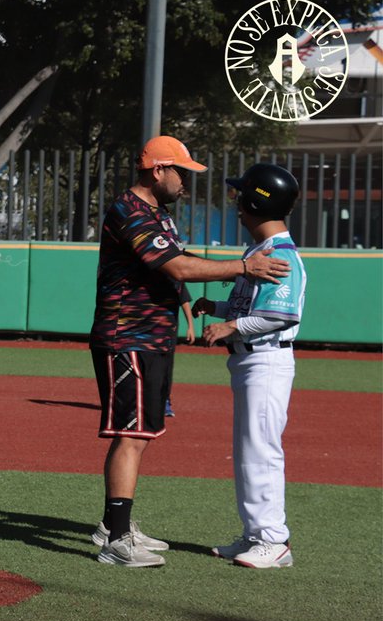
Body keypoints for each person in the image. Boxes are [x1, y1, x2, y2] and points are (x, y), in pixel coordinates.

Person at [88, 136, 290, 567]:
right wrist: (242, 266)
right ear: (158, 170)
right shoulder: (129, 210)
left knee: (143, 433)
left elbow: (177, 261)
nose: (186, 183)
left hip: (152, 337)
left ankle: (115, 525)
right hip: (128, 337)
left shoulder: (157, 215)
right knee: (131, 434)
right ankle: (116, 540)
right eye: (181, 173)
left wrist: (189, 303)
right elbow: (176, 266)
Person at [194, 163, 306, 569]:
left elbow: (282, 315)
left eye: (242, 196)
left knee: (261, 452)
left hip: (267, 359)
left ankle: (274, 541)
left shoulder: (281, 255)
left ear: (256, 202)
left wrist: (230, 324)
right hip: (251, 360)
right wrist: (220, 308)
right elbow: (255, 306)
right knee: (248, 453)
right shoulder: (258, 253)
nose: (237, 204)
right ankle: (256, 533)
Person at [164, 284, 195, 418]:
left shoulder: (174, 277)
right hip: (145, 334)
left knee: (165, 368)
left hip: (168, 333)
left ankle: (165, 401)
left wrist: (190, 326)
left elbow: (184, 301)